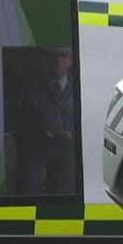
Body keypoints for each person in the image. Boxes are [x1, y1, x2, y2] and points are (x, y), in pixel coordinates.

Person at [11, 50, 76, 196]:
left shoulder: (78, 89)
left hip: (66, 153)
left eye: (63, 55)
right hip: (32, 151)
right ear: (45, 58)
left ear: (71, 59)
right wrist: (35, 132)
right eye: (54, 55)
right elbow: (14, 123)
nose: (58, 60)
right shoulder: (28, 89)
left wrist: (71, 132)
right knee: (25, 197)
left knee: (61, 202)